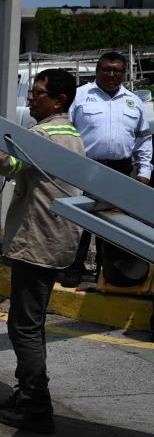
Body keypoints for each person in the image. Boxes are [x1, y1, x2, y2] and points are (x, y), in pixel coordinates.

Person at [0, 68, 83, 434]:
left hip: (38, 243)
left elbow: (5, 161)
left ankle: (35, 404)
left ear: (59, 100)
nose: (31, 98)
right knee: (29, 323)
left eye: (39, 93)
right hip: (54, 241)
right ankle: (27, 394)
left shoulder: (45, 135)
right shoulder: (69, 134)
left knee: (25, 327)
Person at [60, 52, 152, 286]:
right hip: (85, 167)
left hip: (120, 170)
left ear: (124, 73)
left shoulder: (134, 101)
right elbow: (64, 130)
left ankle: (105, 272)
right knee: (80, 221)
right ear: (98, 70)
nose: (112, 74)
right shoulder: (79, 96)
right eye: (106, 69)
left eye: (117, 70)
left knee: (113, 223)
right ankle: (74, 268)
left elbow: (143, 141)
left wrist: (143, 174)